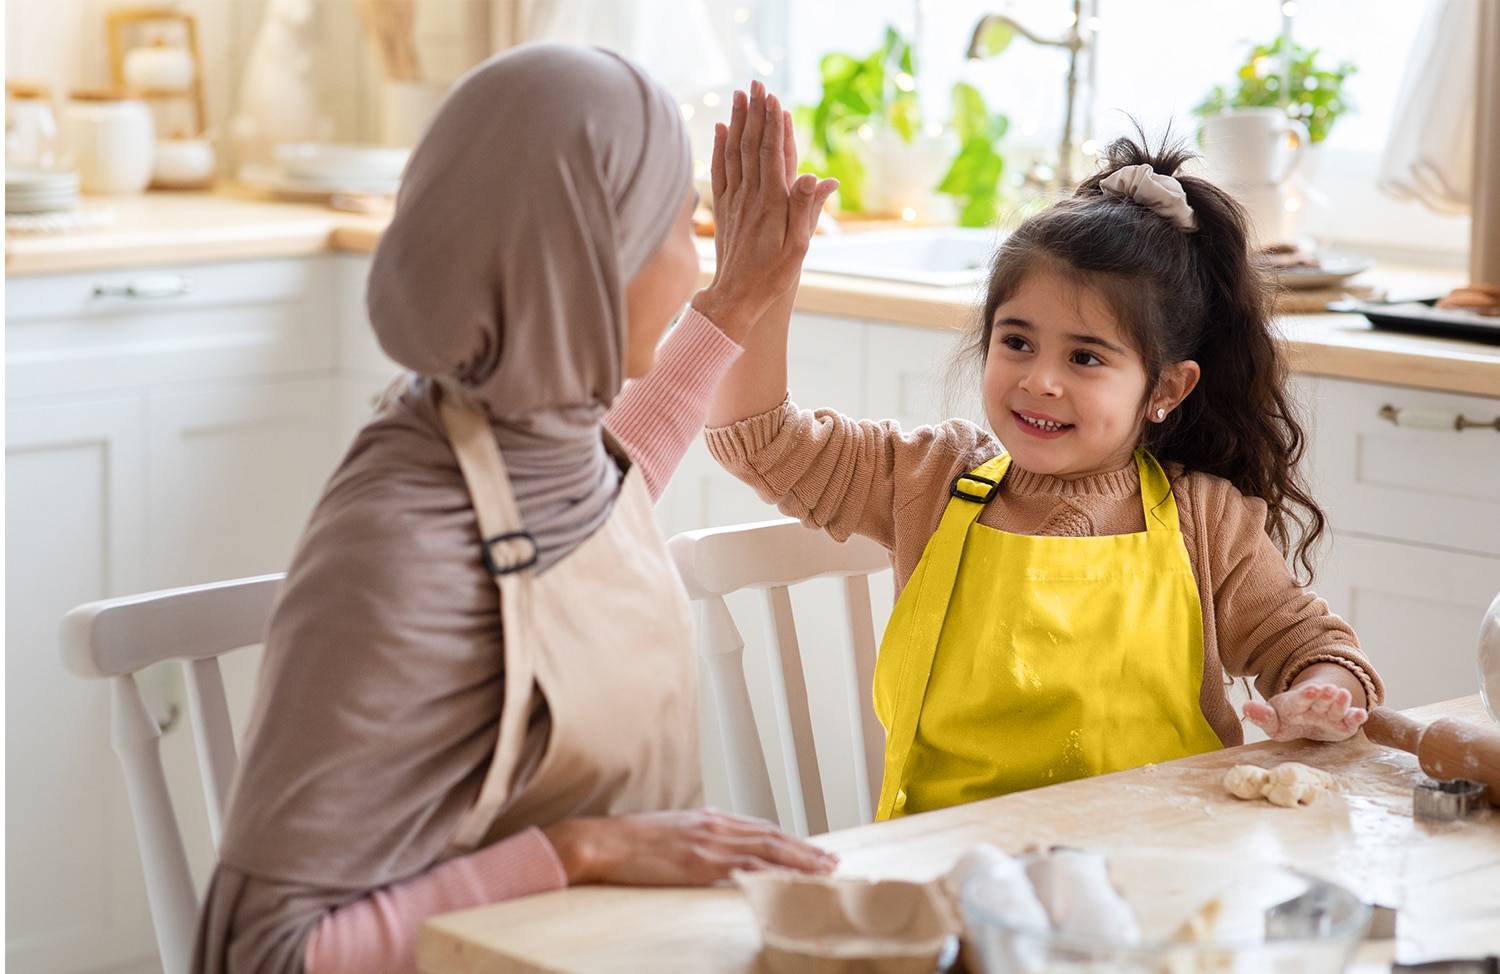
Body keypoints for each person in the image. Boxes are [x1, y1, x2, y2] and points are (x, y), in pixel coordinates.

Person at [193, 50, 838, 974]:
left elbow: (600, 505)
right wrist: (580, 854)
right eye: (674, 223)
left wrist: (735, 299)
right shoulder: (399, 549)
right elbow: (267, 955)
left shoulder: (529, 439)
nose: (693, 252)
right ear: (584, 255)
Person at [702, 107, 1384, 821]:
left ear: (1166, 388)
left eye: (1085, 356)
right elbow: (759, 440)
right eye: (1017, 341)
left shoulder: (1202, 516)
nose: (1040, 380)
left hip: (1159, 873)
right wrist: (756, 288)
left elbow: (1307, 646)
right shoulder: (929, 480)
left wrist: (1320, 694)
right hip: (952, 867)